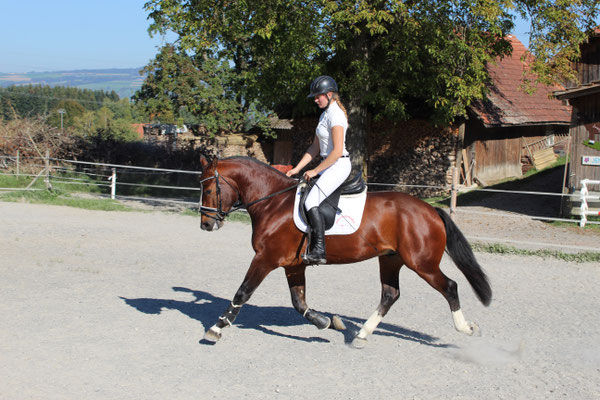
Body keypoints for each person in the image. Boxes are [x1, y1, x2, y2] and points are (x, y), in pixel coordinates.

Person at [286, 75, 351, 264]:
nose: (315, 100)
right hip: (328, 163)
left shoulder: (336, 115)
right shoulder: (324, 114)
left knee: (311, 200)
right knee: (302, 194)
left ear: (329, 94)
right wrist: (296, 168)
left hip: (338, 164)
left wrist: (315, 171)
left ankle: (319, 250)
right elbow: (315, 148)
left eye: (318, 96)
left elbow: (337, 151)